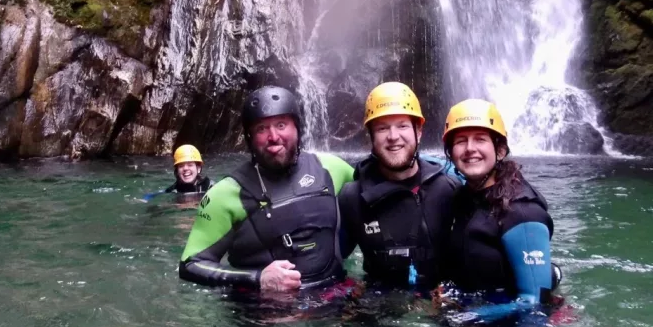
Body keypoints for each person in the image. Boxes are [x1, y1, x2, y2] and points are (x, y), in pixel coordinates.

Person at [179, 86, 355, 291]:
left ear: (297, 128)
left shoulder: (332, 168)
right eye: (261, 129)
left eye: (281, 125)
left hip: (334, 298)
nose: (273, 137)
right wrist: (257, 278)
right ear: (249, 138)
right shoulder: (225, 194)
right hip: (264, 313)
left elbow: (374, 189)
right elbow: (190, 265)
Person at [442, 99, 561, 322]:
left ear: (499, 150)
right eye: (461, 141)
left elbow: (534, 302)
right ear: (450, 152)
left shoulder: (523, 213)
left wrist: (468, 316)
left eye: (480, 139)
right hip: (472, 311)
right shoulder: (465, 197)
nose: (470, 149)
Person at [338, 82, 460, 290]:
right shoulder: (352, 197)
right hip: (377, 311)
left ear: (418, 131)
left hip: (440, 310)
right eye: (383, 128)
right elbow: (328, 263)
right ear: (371, 136)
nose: (393, 137)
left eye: (402, 125)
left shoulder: (448, 189)